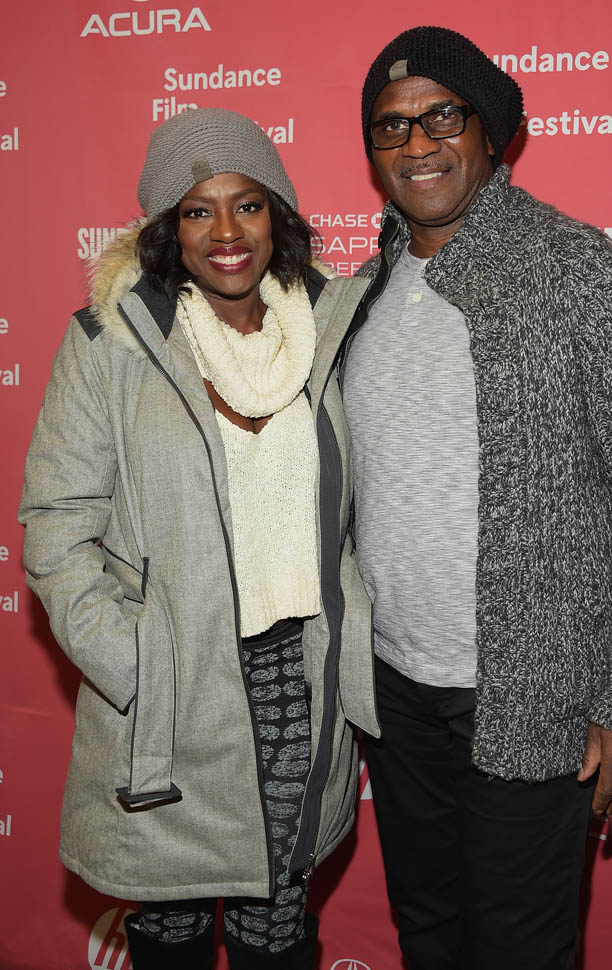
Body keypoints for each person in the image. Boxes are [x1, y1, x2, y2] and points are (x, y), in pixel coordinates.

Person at [340, 26, 612, 970]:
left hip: (532, 692)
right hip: (392, 690)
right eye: (390, 125)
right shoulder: (359, 293)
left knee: (518, 949)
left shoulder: (575, 268)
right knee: (426, 927)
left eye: (441, 116)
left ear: (488, 131)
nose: (416, 143)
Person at [18, 107, 377, 970]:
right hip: (172, 686)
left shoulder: (329, 326)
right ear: (164, 228)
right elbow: (56, 520)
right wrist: (133, 661)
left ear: (276, 214)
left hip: (297, 682)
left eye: (246, 204)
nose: (225, 232)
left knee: (274, 927)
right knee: (170, 926)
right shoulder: (110, 342)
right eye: (195, 210)